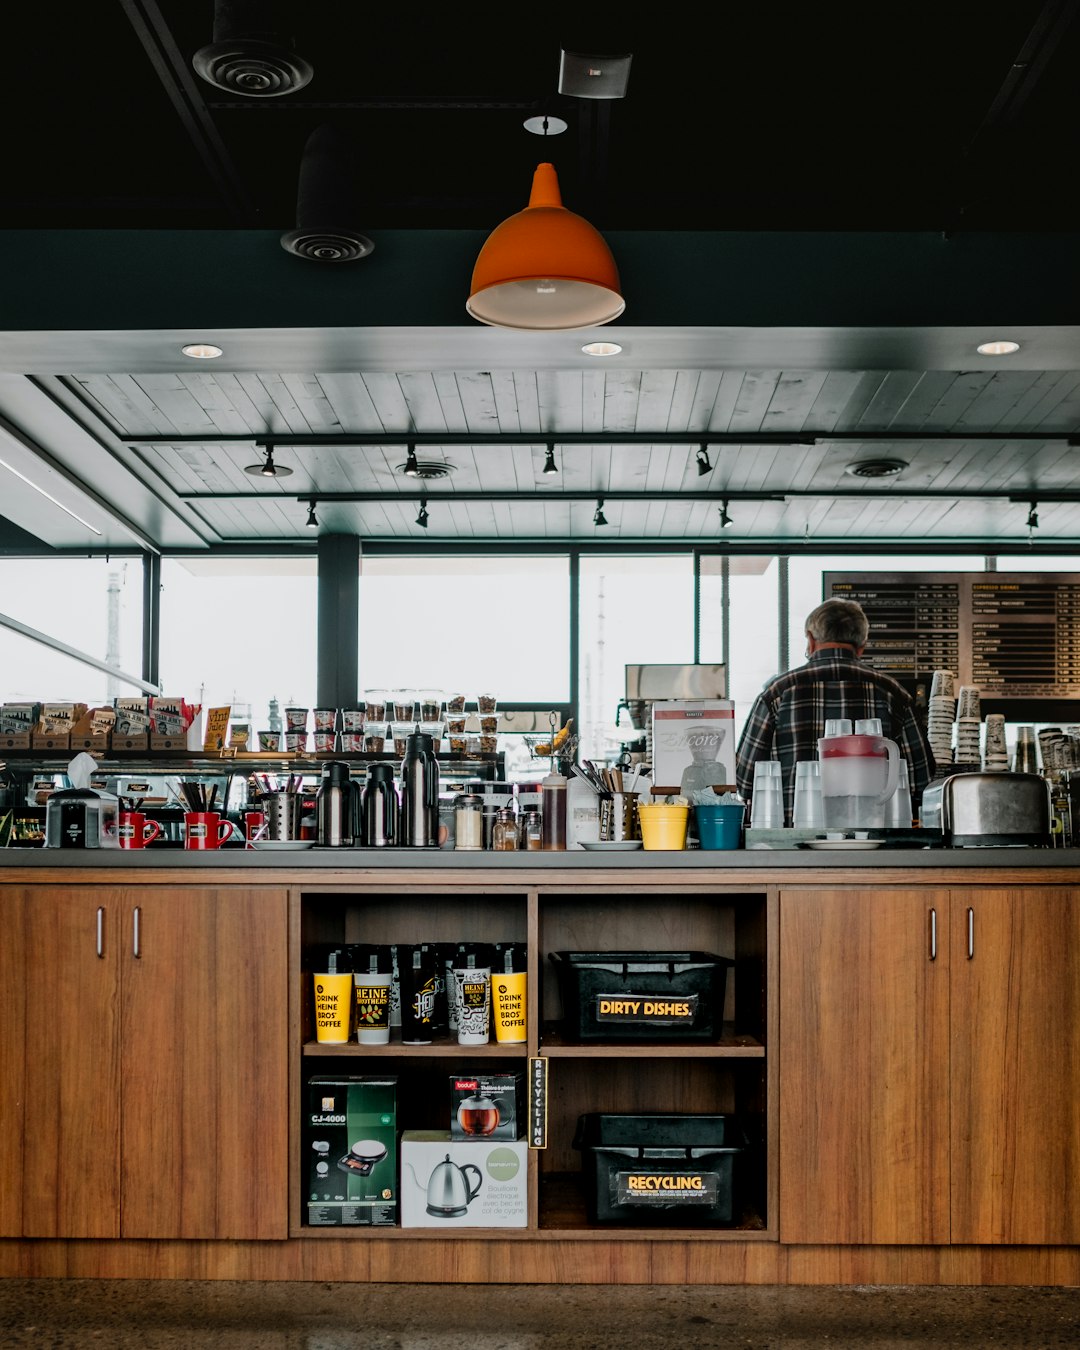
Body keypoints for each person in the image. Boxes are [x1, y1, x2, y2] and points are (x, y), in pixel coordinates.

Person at [735, 598, 935, 824]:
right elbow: (922, 781)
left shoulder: (777, 693)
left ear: (810, 641)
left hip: (792, 845)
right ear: (862, 646)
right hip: (873, 841)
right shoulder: (893, 693)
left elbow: (745, 781)